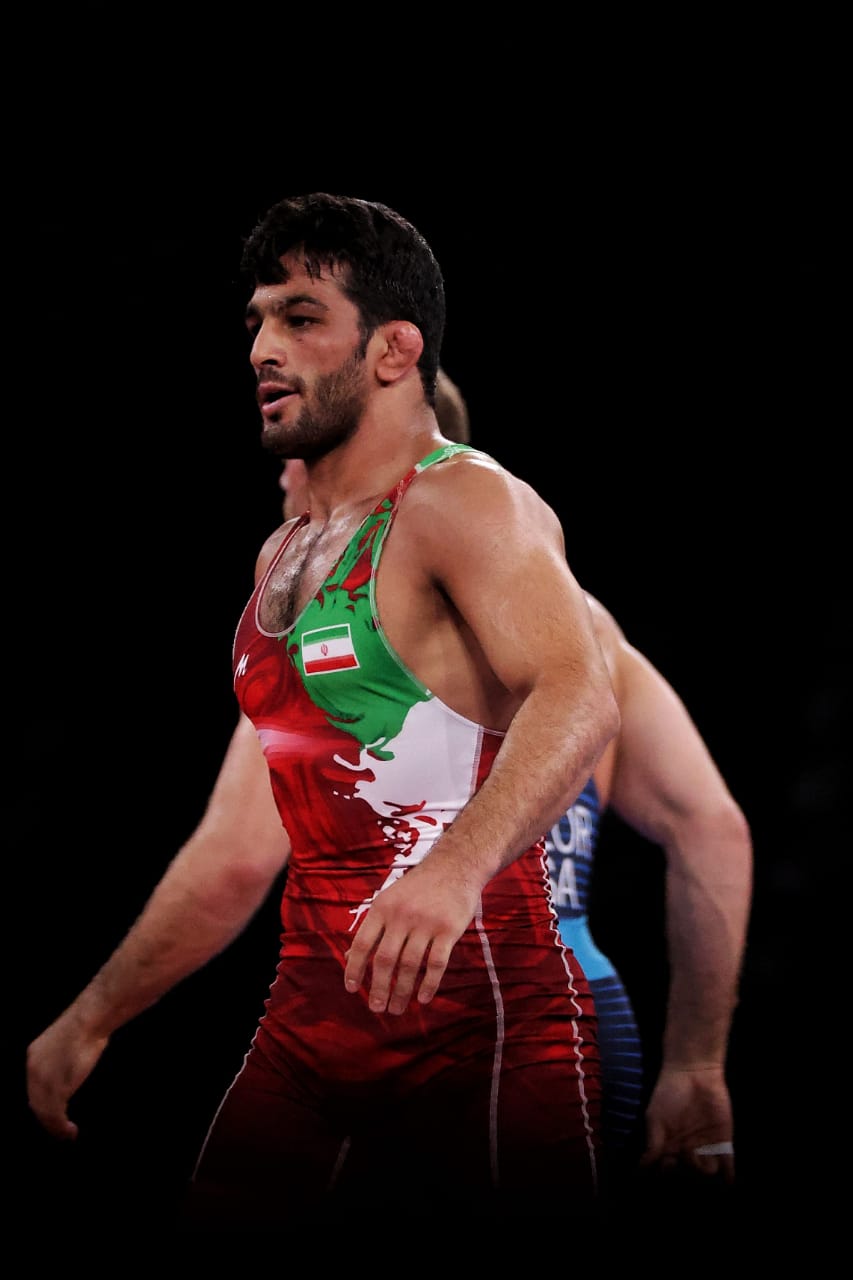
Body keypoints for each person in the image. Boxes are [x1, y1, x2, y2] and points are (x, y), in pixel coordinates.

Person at [26, 192, 622, 1240]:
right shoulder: (283, 555)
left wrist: (452, 867)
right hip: (309, 1033)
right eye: (256, 320)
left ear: (395, 349)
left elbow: (580, 690)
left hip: (481, 1026)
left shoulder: (465, 500)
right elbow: (232, 851)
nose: (263, 347)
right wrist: (90, 1018)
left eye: (300, 318)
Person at [279, 371, 754, 1206]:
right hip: (581, 1006)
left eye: (309, 458)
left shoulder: (339, 631)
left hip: (433, 1021)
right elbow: (711, 827)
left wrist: (92, 1019)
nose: (292, 482)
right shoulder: (586, 628)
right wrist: (694, 1064)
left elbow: (233, 860)